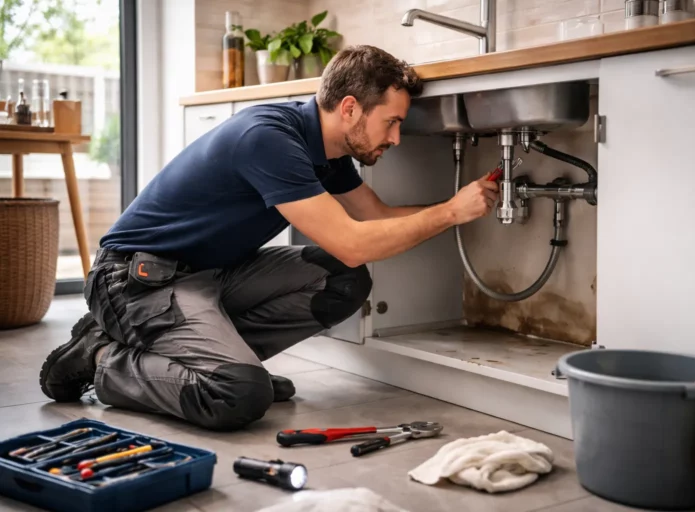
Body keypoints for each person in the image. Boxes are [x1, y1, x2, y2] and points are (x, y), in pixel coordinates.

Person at [39, 45, 499, 431]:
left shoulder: (326, 151)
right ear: (351, 108)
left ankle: (213, 362)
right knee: (237, 396)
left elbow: (375, 217)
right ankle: (103, 354)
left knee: (344, 280)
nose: (397, 138)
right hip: (136, 280)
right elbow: (354, 241)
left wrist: (459, 207)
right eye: (392, 122)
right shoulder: (269, 139)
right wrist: (449, 212)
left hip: (209, 276)